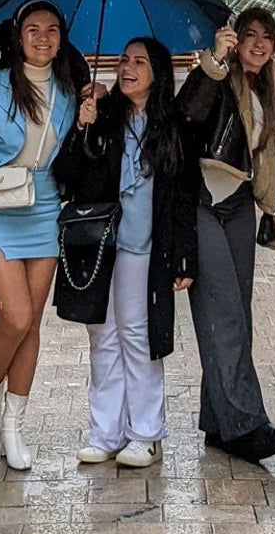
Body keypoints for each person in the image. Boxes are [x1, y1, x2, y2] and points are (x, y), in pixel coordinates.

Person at [0, 0, 86, 471]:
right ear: (18, 35)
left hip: (44, 209)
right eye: (33, 29)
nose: (43, 38)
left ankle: (14, 426)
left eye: (52, 30)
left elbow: (71, 158)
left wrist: (88, 124)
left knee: (32, 324)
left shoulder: (69, 91)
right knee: (15, 317)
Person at [54, 37, 200, 468]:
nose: (128, 68)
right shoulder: (103, 116)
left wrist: (183, 256)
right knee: (102, 335)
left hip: (145, 249)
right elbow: (68, 177)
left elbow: (184, 195)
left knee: (138, 336)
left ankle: (145, 433)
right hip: (101, 244)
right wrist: (83, 127)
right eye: (124, 60)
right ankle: (105, 431)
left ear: (157, 72)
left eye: (139, 61)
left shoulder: (172, 124)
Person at [176, 7, 275, 464]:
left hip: (241, 204)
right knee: (223, 312)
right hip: (204, 199)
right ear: (235, 38)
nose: (260, 43)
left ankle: (218, 422)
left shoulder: (266, 87)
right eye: (250, 34)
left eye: (268, 36)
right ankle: (247, 424)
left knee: (236, 316)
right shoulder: (217, 75)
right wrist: (214, 61)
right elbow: (187, 115)